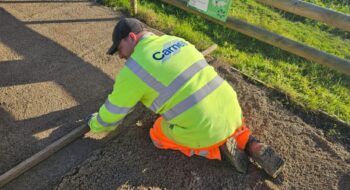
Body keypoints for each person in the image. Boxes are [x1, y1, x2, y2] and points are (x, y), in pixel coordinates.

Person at [87, 17, 284, 178]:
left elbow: (112, 115)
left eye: (119, 49)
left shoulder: (133, 71)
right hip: (230, 107)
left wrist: (94, 124)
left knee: (157, 132)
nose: (120, 56)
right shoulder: (176, 40)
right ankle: (249, 142)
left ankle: (215, 150)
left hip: (204, 127)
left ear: (131, 37)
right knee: (222, 120)